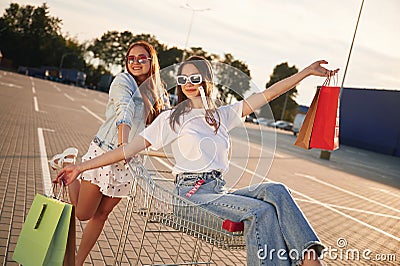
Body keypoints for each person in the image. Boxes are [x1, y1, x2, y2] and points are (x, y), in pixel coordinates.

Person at [57, 56, 339, 266]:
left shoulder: (222, 115)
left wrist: (305, 73)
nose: (189, 85)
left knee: (276, 190)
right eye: (183, 80)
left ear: (207, 81)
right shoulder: (171, 118)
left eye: (195, 78)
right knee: (261, 213)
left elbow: (268, 94)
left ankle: (309, 259)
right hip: (190, 196)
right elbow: (126, 150)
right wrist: (80, 167)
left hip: (217, 192)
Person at [51, 40, 169, 266]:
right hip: (106, 154)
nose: (135, 62)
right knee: (83, 214)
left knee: (101, 215)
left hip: (129, 164)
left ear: (150, 60)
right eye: (131, 58)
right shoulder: (123, 81)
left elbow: (159, 124)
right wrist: (123, 145)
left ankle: (78, 262)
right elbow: (124, 109)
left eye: (141, 58)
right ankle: (68, 162)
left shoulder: (157, 91)